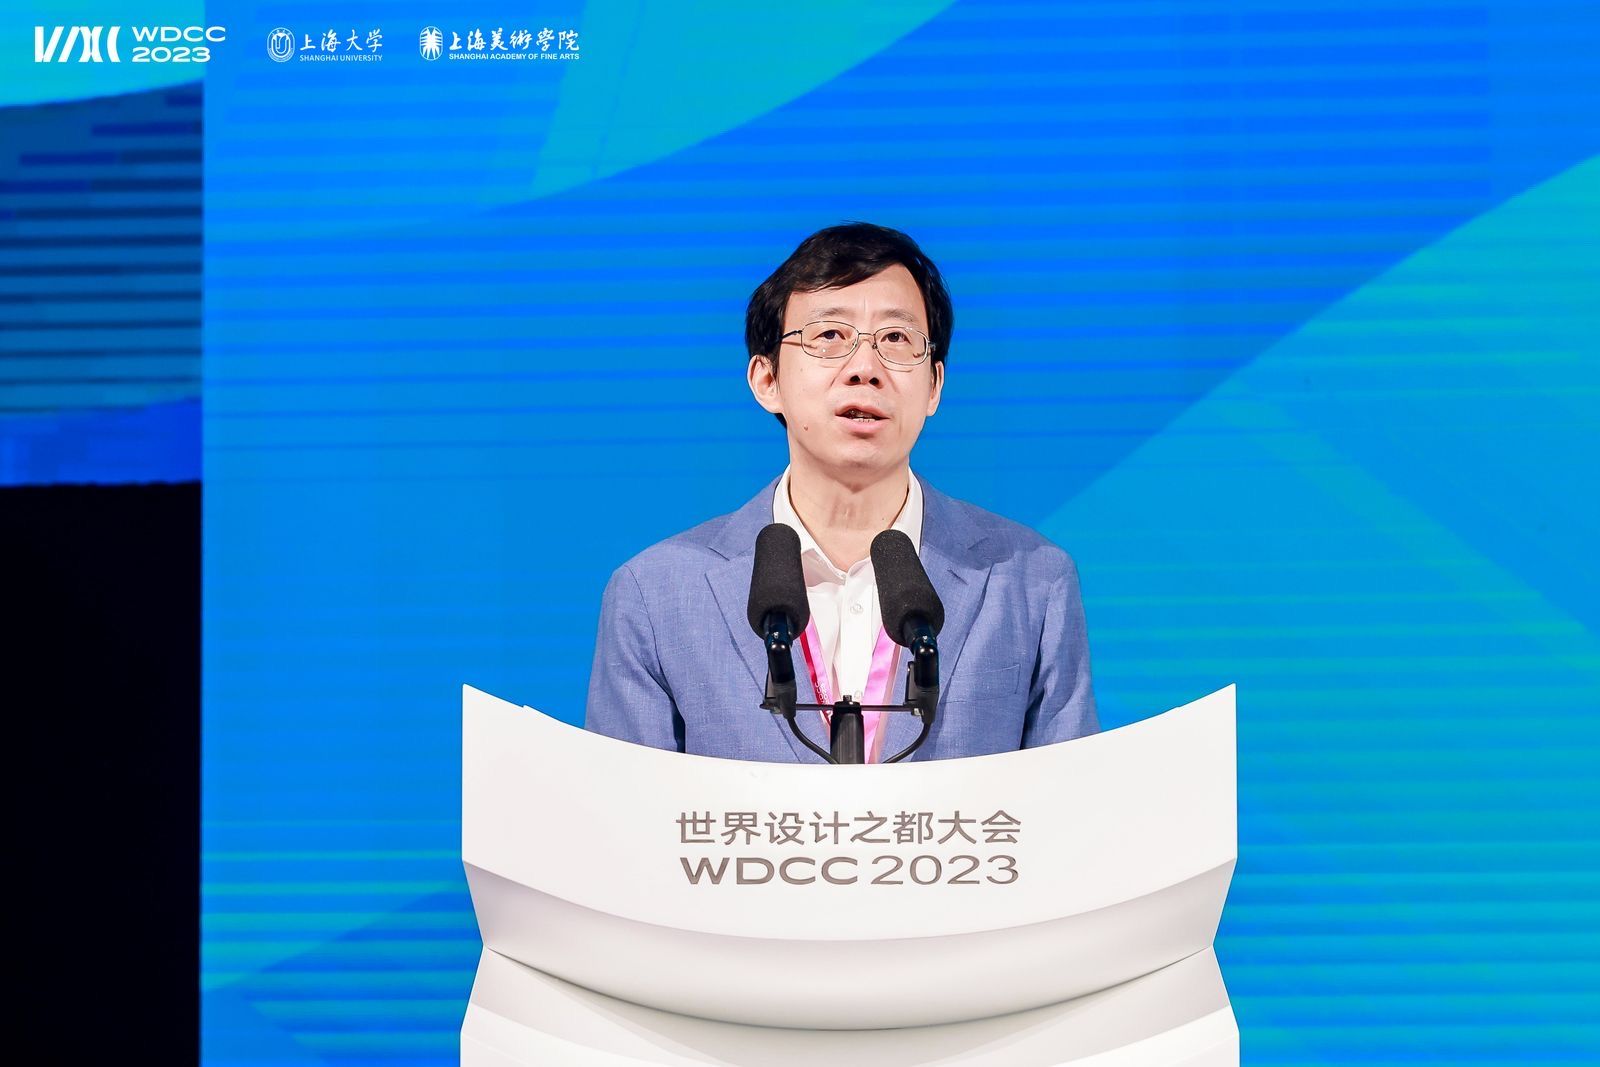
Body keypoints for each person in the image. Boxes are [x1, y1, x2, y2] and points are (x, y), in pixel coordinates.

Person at [584, 222, 1097, 762]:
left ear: (934, 386)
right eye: (829, 336)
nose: (865, 369)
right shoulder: (655, 595)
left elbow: (1069, 804)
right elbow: (625, 810)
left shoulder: (1032, 582)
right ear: (766, 381)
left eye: (896, 339)